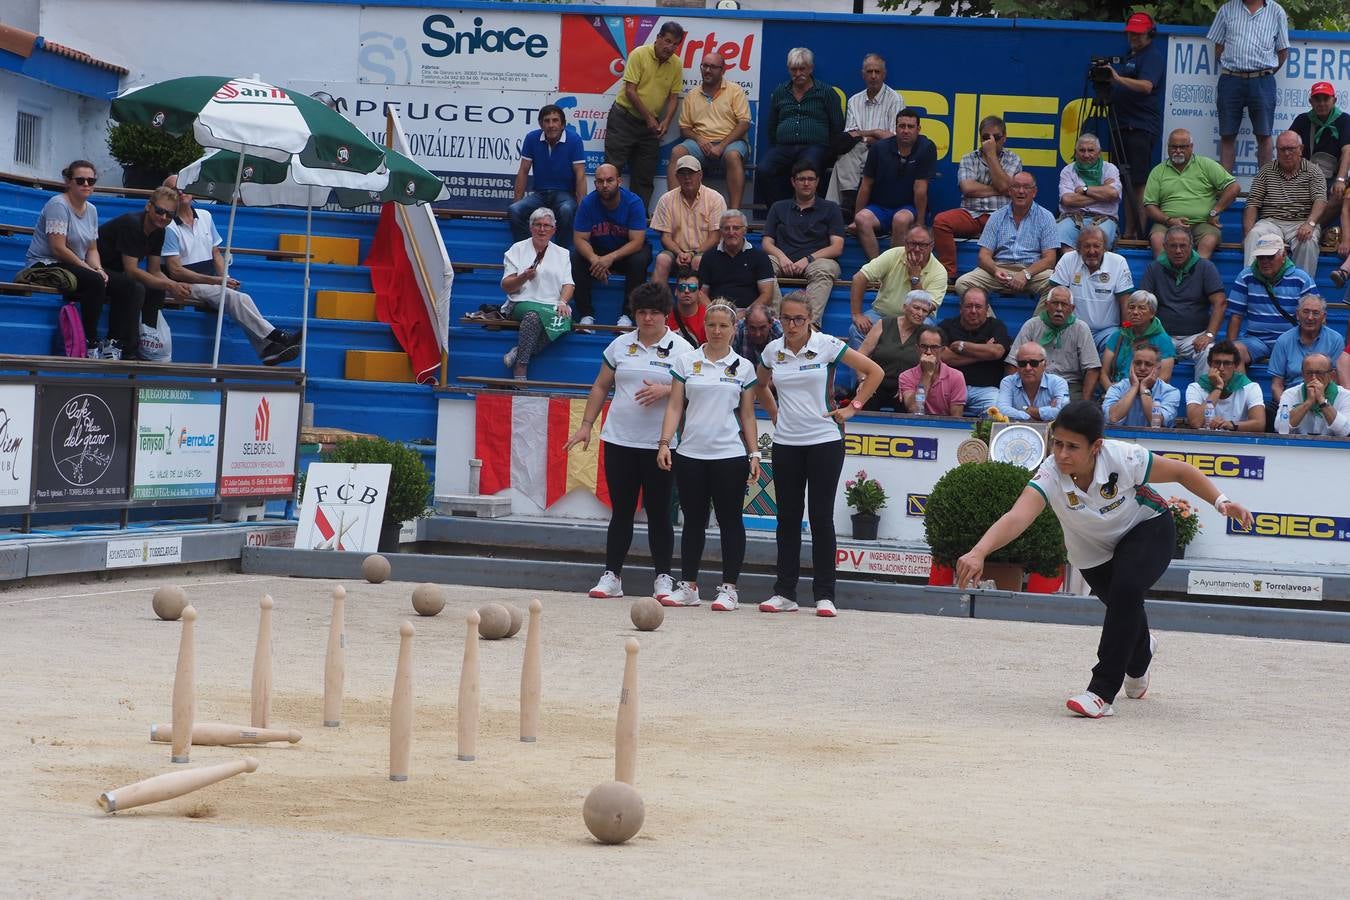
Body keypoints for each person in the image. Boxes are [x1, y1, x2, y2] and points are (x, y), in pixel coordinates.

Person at [956, 400, 1254, 718]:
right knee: (1123, 609)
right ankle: (1140, 657)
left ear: (1096, 446)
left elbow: (1181, 471)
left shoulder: (1123, 456)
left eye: (1072, 447)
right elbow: (1018, 516)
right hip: (1092, 553)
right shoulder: (1050, 472)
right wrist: (979, 551)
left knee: (1126, 591)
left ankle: (1100, 692)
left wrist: (1222, 501)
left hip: (1147, 528)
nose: (1062, 454)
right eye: (1057, 443)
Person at [564, 283, 695, 603]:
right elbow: (600, 386)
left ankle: (663, 577)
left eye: (654, 312)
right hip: (619, 439)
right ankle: (612, 575)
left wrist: (667, 391)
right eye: (641, 312)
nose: (647, 318)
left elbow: (696, 391)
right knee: (621, 511)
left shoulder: (682, 350)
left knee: (660, 512)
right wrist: (586, 425)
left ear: (666, 314)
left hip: (662, 445)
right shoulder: (619, 345)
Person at [755, 292, 883, 617]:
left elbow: (875, 372)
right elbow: (759, 385)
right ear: (779, 319)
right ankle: (784, 592)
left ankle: (825, 594)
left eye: (799, 319)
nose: (793, 325)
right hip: (785, 442)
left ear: (810, 318)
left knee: (821, 518)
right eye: (786, 318)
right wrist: (773, 413)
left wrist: (852, 408)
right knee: (786, 518)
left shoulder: (827, 344)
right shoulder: (773, 350)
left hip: (825, 440)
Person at [657, 300, 761, 611]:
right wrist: (665, 442)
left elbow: (747, 416)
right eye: (712, 324)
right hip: (690, 454)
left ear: (734, 329)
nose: (716, 330)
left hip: (729, 455)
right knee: (692, 522)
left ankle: (729, 589)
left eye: (723, 326)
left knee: (730, 521)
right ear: (705, 326)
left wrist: (754, 452)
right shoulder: (686, 362)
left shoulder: (743, 367)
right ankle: (688, 585)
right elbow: (675, 405)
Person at [161, 175, 301, 366]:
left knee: (239, 297)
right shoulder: (168, 227)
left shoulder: (205, 215)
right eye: (174, 190)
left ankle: (267, 350)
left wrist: (225, 277)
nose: (181, 192)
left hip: (208, 281)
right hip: (184, 284)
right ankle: (278, 337)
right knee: (238, 298)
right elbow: (176, 271)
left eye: (183, 186)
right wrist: (217, 281)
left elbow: (216, 253)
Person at [95, 186, 193, 361]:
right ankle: (123, 346)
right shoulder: (132, 224)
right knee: (134, 288)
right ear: (149, 206)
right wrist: (170, 284)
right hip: (97, 269)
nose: (163, 217)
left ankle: (148, 344)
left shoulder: (160, 231)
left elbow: (154, 270)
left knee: (156, 289)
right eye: (160, 211)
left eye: (169, 215)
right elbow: (131, 270)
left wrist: (175, 286)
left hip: (117, 272)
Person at [23, 159, 108, 356]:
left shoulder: (92, 210)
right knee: (94, 282)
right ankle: (90, 341)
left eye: (91, 181)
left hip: (73, 264)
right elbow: (57, 249)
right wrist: (89, 270)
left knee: (127, 286)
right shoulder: (57, 204)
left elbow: (92, 249)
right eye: (80, 180)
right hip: (45, 263)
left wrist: (99, 269)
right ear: (68, 182)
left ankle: (118, 344)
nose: (86, 184)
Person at [603, 21, 685, 212]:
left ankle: (637, 220)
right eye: (667, 41)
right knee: (610, 172)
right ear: (657, 38)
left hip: (650, 128)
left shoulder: (676, 64)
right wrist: (650, 119)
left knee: (644, 178)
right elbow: (631, 91)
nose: (670, 47)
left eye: (675, 44)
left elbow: (674, 97)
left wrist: (666, 121)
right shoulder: (639, 54)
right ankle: (606, 216)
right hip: (623, 119)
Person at [933, 115, 1023, 278]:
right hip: (971, 213)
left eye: (996, 137)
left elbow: (1004, 186)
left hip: (1000, 215)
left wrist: (991, 156)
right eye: (985, 137)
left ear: (1004, 138)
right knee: (941, 222)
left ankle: (1004, 277)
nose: (991, 142)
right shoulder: (969, 158)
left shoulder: (1013, 158)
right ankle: (948, 273)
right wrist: (1002, 189)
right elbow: (967, 188)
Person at [1207, 0, 1289, 172]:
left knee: (1264, 135)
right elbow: (1218, 47)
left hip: (1262, 80)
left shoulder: (1276, 11)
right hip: (1231, 78)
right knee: (1227, 135)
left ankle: (1265, 189)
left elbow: (1282, 51)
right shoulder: (1226, 9)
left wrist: (1264, 73)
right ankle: (1225, 189)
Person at [760, 160, 846, 325]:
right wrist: (782, 257)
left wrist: (808, 259)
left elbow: (837, 247)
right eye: (801, 179)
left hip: (817, 262)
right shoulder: (778, 207)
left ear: (817, 181)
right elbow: (767, 243)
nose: (806, 183)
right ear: (793, 182)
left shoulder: (831, 208)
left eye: (811, 179)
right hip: (783, 260)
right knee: (763, 263)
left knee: (825, 268)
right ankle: (778, 322)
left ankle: (809, 325)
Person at [758, 48, 845, 209]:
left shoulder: (826, 92)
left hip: (816, 147)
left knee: (806, 169)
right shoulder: (780, 92)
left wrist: (829, 152)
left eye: (802, 69)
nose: (798, 73)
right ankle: (780, 211)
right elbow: (772, 124)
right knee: (764, 169)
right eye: (794, 69)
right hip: (784, 147)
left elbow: (837, 125)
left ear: (810, 68)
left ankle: (808, 212)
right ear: (789, 70)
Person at [667, 52, 751, 212]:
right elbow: (684, 128)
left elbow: (744, 123)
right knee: (677, 152)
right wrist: (699, 139)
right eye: (704, 66)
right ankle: (676, 210)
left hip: (731, 143)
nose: (707, 70)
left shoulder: (735, 91)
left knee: (732, 156)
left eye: (713, 67)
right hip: (700, 144)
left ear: (723, 70)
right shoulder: (692, 95)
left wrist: (721, 145)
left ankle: (734, 214)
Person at [1107, 12, 1166, 240]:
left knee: (1138, 181)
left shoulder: (1152, 56)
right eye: (1131, 32)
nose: (1134, 37)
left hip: (1141, 126)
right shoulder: (1128, 55)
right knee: (1122, 180)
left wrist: (1118, 79)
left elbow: (1146, 86)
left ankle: (1138, 233)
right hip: (1121, 125)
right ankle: (1128, 229)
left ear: (1149, 34)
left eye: (1139, 33)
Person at [953, 172, 1057, 302]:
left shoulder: (1046, 217)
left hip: (1032, 272)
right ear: (1009, 191)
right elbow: (983, 256)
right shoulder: (997, 216)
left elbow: (1050, 259)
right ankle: (989, 321)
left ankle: (1036, 323)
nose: (1021, 191)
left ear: (1034, 192)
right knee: (963, 283)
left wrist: (1026, 273)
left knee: (1056, 284)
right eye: (1016, 186)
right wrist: (995, 270)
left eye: (1026, 187)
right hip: (1000, 269)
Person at [572, 163, 651, 328]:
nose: (605, 185)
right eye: (600, 181)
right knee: (577, 257)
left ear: (619, 181)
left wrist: (610, 258)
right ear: (595, 184)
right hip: (599, 252)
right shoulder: (587, 203)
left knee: (640, 257)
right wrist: (595, 259)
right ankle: (586, 315)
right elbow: (579, 239)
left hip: (625, 253)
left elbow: (637, 241)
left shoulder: (633, 202)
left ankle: (628, 315)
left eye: (609, 180)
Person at [850, 108, 936, 261]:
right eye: (901, 126)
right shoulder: (879, 148)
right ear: (895, 128)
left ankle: (893, 268)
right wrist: (855, 218)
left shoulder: (926, 148)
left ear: (918, 129)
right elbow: (866, 185)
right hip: (880, 207)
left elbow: (920, 190)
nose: (905, 130)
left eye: (910, 126)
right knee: (862, 219)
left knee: (900, 219)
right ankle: (877, 267)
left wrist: (920, 224)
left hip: (908, 208)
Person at [500, 208, 574, 380]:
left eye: (547, 226)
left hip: (551, 304)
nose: (542, 229)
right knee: (533, 317)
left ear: (553, 229)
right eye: (538, 225)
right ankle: (521, 367)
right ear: (531, 227)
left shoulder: (563, 254)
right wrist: (524, 276)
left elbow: (569, 284)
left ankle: (519, 352)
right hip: (521, 302)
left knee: (565, 320)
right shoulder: (517, 249)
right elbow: (507, 286)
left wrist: (563, 301)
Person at [1143, 129, 1240, 258]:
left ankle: (1195, 277)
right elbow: (1149, 206)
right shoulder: (1158, 171)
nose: (1178, 151)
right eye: (1174, 147)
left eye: (1182, 147)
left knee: (1209, 240)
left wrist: (1214, 211)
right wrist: (1170, 220)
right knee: (1156, 238)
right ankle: (1165, 277)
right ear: (1168, 147)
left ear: (1191, 147)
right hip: (1167, 224)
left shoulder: (1206, 165)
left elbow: (1234, 188)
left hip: (1202, 223)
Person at [828, 53, 904, 219]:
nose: (873, 76)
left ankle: (842, 206)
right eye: (869, 72)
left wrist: (864, 135)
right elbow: (850, 136)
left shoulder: (895, 99)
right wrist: (873, 133)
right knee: (846, 154)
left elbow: (892, 137)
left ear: (884, 74)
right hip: (857, 151)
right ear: (863, 75)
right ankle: (845, 204)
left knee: (846, 159)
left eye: (877, 71)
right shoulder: (854, 100)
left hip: (884, 152)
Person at [1225, 234, 1318, 367]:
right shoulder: (1246, 276)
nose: (1265, 261)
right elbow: (1236, 316)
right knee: (1235, 354)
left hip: (1292, 340)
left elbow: (1316, 315)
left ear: (1284, 255)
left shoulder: (1301, 279)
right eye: (1261, 257)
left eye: (1270, 256)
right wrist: (1229, 351)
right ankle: (1241, 388)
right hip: (1256, 340)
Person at [1137, 225, 1227, 362]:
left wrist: (1209, 334)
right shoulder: (1154, 268)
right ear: (1165, 246)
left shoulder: (1205, 267)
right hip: (1163, 335)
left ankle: (1203, 385)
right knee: (1145, 353)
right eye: (1173, 246)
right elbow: (1143, 302)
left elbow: (1220, 302)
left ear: (1191, 246)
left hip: (1196, 337)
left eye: (1183, 246)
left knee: (1208, 352)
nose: (1178, 251)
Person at [848, 224, 947, 348]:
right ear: (905, 243)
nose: (916, 249)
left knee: (926, 330)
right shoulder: (893, 254)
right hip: (882, 314)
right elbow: (859, 278)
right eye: (912, 244)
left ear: (931, 246)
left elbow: (926, 307)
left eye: (922, 245)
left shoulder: (939, 271)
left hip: (919, 318)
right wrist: (857, 314)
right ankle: (862, 368)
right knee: (857, 329)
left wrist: (915, 278)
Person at [1241, 131, 1326, 275]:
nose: (1287, 153)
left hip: (1301, 221)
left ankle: (1302, 288)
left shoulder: (1314, 171)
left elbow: (1320, 200)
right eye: (1282, 149)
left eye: (1291, 148)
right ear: (1276, 150)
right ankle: (1250, 283)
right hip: (1271, 222)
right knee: (1254, 234)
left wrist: (1310, 224)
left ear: (1301, 149)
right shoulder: (1266, 171)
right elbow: (1252, 203)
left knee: (1308, 241)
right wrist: (1247, 234)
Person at [1006, 286, 1101, 402]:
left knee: (1070, 410)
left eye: (1064, 304)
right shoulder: (1031, 325)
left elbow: (1092, 368)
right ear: (1046, 305)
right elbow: (1013, 363)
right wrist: (1013, 395)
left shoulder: (1081, 328)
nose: (1059, 309)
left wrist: (1084, 404)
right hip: (1035, 384)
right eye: (1055, 303)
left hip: (1069, 385)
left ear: (1072, 308)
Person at [508, 104, 585, 245]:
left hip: (565, 195)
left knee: (567, 210)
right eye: (547, 121)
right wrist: (517, 201)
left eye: (555, 120)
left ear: (563, 124)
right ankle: (528, 252)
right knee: (514, 210)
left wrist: (582, 209)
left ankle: (561, 255)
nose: (551, 125)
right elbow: (523, 171)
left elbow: (580, 174)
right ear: (541, 124)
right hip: (540, 195)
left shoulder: (574, 140)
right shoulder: (532, 138)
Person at [1048, 225, 1134, 351]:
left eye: (1097, 246)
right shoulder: (1068, 259)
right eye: (1087, 246)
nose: (1092, 251)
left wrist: (1127, 333)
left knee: (1117, 343)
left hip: (1107, 332)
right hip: (1073, 328)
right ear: (1078, 248)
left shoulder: (1118, 262)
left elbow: (1126, 302)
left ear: (1105, 248)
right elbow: (1055, 298)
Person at [649, 156, 726, 293]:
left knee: (698, 261)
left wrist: (692, 253)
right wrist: (679, 253)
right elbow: (665, 237)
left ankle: (699, 309)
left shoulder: (715, 198)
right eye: (682, 174)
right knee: (662, 259)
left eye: (691, 173)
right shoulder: (666, 199)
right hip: (676, 252)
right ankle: (659, 308)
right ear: (677, 177)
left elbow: (715, 238)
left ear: (700, 175)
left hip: (705, 254)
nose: (687, 178)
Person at [857, 290, 934, 411]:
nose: (920, 313)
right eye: (916, 308)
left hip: (907, 386)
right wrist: (863, 380)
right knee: (864, 401)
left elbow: (930, 363)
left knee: (910, 409)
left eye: (924, 311)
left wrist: (911, 386)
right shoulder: (884, 324)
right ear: (905, 307)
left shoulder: (926, 333)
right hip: (876, 382)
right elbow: (861, 354)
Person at [1289, 82, 1350, 235]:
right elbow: (1289, 146)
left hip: (1332, 177)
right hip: (1304, 175)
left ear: (1334, 101)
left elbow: (1347, 150)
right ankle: (1297, 228)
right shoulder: (1302, 120)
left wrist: (1341, 180)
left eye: (1326, 99)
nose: (1321, 103)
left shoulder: (1344, 120)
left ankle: (1312, 228)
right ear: (1311, 102)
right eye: (1317, 99)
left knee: (1339, 195)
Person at [939, 287, 1011, 414]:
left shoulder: (996, 326)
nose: (973, 311)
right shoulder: (947, 326)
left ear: (986, 309)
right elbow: (944, 356)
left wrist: (962, 346)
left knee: (997, 411)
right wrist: (984, 352)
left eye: (978, 306)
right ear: (960, 307)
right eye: (968, 306)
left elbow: (996, 352)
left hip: (987, 390)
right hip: (952, 387)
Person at [1267, 295, 1344, 407]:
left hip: (1324, 399)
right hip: (1292, 399)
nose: (1310, 317)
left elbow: (1335, 381)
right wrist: (1287, 407)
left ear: (1324, 316)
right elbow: (1276, 385)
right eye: (1306, 312)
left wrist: (1322, 404)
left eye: (1316, 313)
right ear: (1297, 314)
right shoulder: (1284, 340)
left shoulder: (1336, 340)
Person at [696, 210, 774, 313]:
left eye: (736, 228)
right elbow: (702, 294)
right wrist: (715, 313)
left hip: (750, 315)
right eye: (726, 228)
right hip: (717, 313)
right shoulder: (709, 256)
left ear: (745, 230)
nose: (731, 232)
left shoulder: (759, 256)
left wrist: (745, 315)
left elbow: (767, 295)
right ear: (721, 232)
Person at [1183, 339, 1266, 432]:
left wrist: (1230, 424)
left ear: (1235, 365)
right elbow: (1195, 422)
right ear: (1210, 364)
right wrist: (1218, 387)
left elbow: (1259, 424)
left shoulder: (1251, 387)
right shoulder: (1195, 387)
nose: (1221, 368)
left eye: (1227, 363)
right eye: (1217, 363)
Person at [1057, 133, 1122, 249]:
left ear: (1099, 152)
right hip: (1073, 217)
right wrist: (1102, 194)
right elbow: (1067, 199)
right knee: (1061, 233)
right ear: (1075, 152)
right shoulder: (1068, 170)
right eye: (1082, 150)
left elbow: (1113, 193)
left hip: (1104, 218)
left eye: (1091, 150)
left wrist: (1084, 190)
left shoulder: (1109, 169)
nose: (1086, 155)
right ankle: (1072, 267)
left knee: (1098, 240)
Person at [1100, 290, 1176, 384]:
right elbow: (1104, 373)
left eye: (1141, 308)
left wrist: (1137, 392)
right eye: (1131, 307)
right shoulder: (1118, 336)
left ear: (1152, 313)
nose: (1135, 312)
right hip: (1117, 391)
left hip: (1147, 393)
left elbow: (1164, 377)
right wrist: (1112, 392)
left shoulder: (1163, 340)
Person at [1102, 342, 1181, 427]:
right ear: (1131, 365)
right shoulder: (1117, 388)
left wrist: (1144, 389)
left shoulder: (1170, 392)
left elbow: (1156, 422)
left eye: (1148, 364)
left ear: (1158, 368)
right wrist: (1134, 387)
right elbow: (1113, 418)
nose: (1142, 368)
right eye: (1138, 363)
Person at [1275, 353, 1350, 436]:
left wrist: (1322, 400)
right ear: (1302, 374)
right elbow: (1279, 428)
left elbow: (1345, 431)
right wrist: (1308, 403)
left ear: (1331, 375)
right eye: (1309, 373)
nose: (1314, 378)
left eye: (1319, 373)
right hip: (1298, 446)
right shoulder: (1290, 394)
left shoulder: (1345, 396)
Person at [898, 328, 966, 415]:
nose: (928, 352)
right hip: (915, 426)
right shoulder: (906, 376)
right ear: (917, 349)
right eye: (924, 346)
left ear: (942, 350)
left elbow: (956, 418)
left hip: (945, 427)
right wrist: (927, 374)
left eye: (934, 347)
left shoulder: (956, 376)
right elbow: (913, 408)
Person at [998, 342, 1069, 421]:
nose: (1028, 368)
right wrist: (1029, 416)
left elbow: (1063, 411)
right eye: (1022, 363)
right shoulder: (1008, 382)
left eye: (1034, 363)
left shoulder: (1058, 383)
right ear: (1017, 366)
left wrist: (1027, 410)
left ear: (1045, 364)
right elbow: (1001, 410)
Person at [732, 302, 782, 369]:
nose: (757, 334)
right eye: (752, 328)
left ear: (771, 324)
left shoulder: (780, 333)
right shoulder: (738, 331)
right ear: (746, 324)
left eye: (762, 328)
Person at [668, 267, 707, 345]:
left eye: (692, 287)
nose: (686, 291)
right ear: (676, 291)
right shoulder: (664, 316)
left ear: (700, 293)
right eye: (682, 287)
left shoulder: (708, 318)